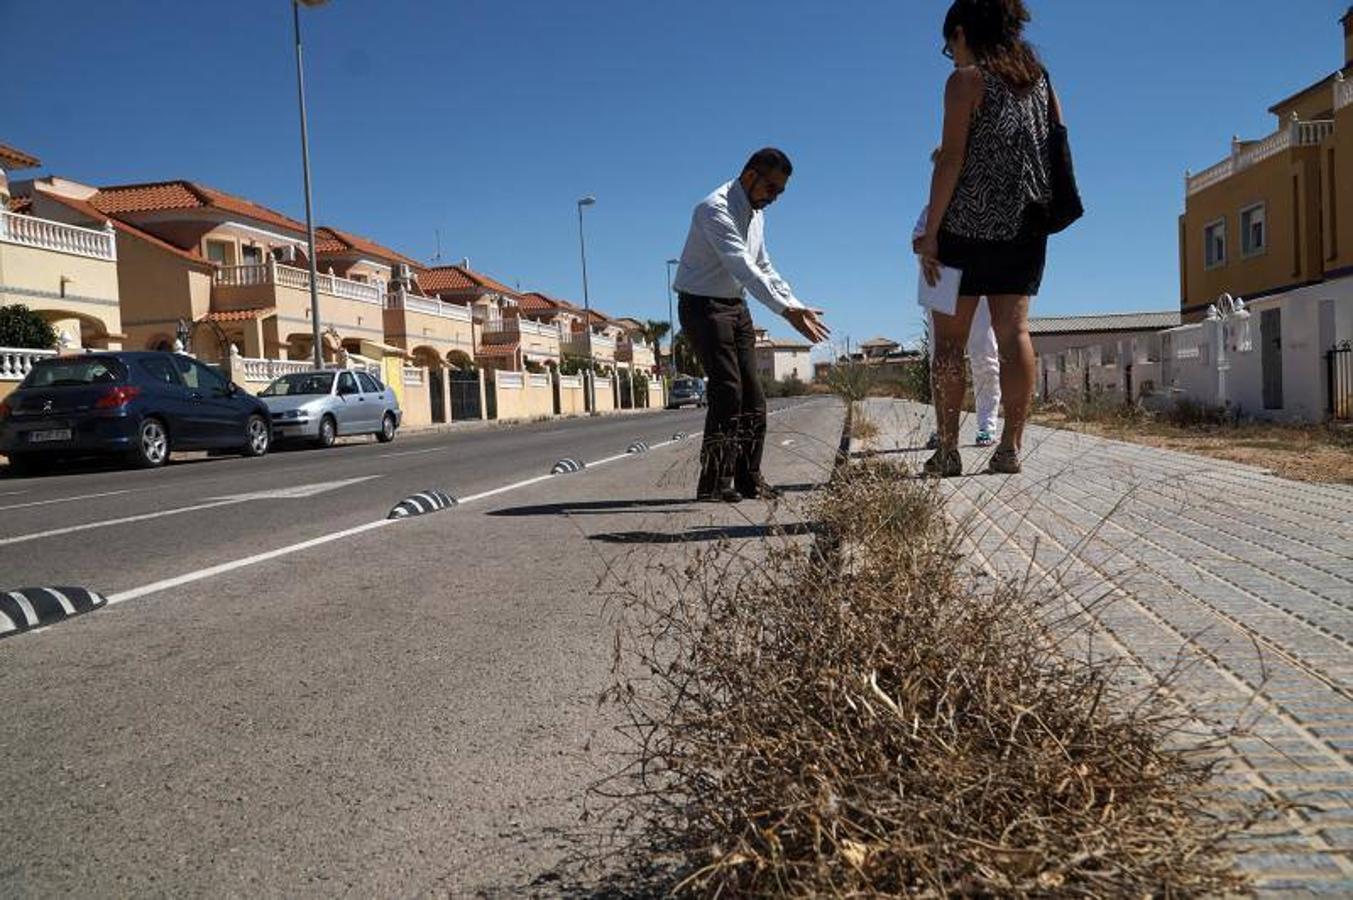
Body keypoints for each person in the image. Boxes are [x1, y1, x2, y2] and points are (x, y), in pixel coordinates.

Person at [914, 0, 1059, 477]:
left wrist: (930, 233)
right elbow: (1056, 145)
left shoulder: (964, 81)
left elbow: (951, 160)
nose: (949, 54)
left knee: (950, 343)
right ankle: (1010, 449)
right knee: (1014, 334)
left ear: (962, 32)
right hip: (1024, 228)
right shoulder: (1040, 80)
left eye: (948, 45)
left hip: (963, 229)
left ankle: (949, 452)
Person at [673, 148, 830, 503]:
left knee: (754, 397)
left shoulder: (757, 214)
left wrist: (795, 304)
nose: (774, 198)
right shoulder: (714, 209)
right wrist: (783, 312)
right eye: (771, 188)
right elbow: (741, 266)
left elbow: (764, 266)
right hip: (702, 305)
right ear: (749, 176)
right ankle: (713, 481)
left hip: (735, 304)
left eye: (780, 192)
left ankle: (748, 477)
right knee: (728, 390)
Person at [914, 189, 1001, 449]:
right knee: (939, 359)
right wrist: (944, 241)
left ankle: (987, 425)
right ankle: (943, 429)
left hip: (979, 284)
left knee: (984, 354)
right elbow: (917, 242)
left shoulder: (985, 201)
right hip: (940, 285)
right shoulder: (932, 207)